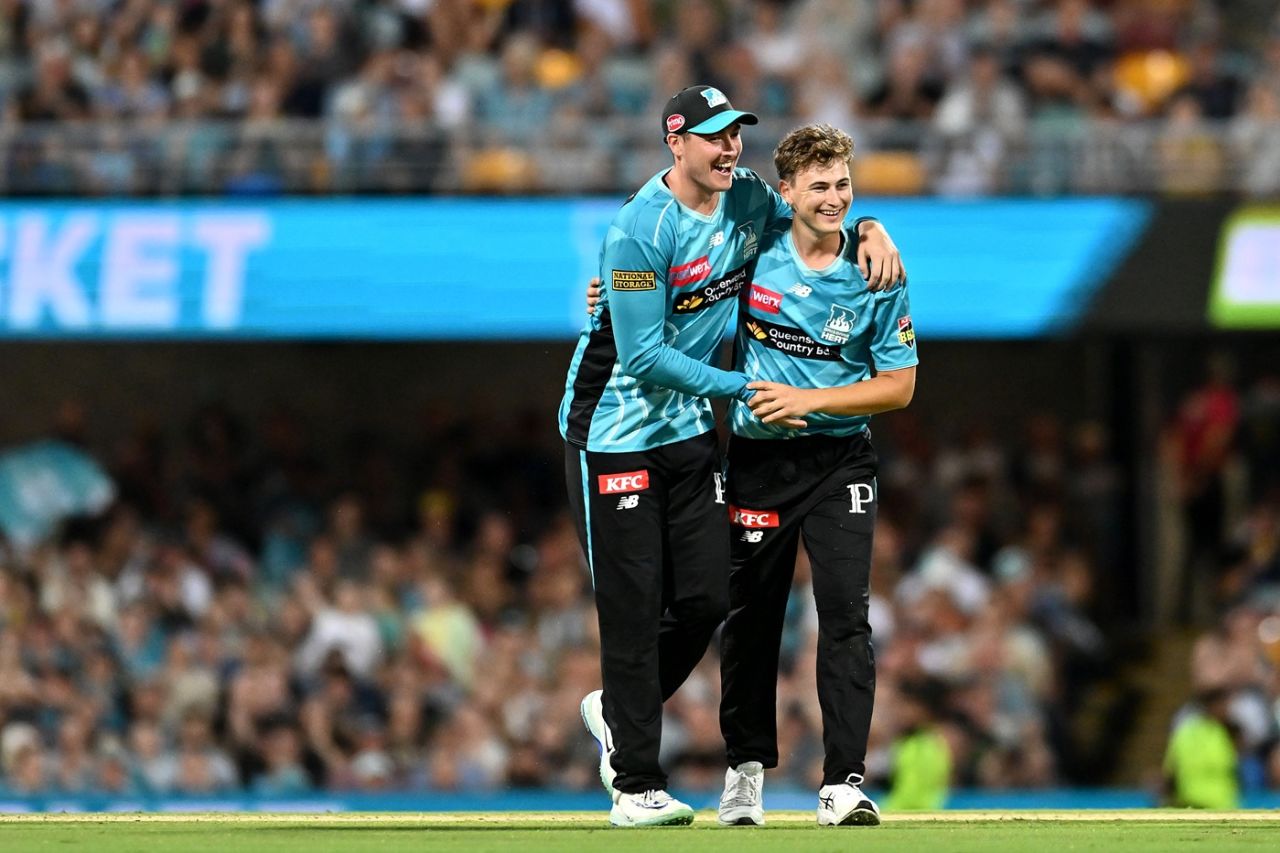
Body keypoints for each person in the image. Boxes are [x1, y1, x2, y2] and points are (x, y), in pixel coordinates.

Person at [559, 86, 906, 827]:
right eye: (713, 136)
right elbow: (644, 350)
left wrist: (874, 224)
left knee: (711, 598)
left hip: (691, 429)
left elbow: (820, 212)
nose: (729, 148)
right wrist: (747, 383)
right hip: (616, 426)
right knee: (635, 606)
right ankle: (636, 783)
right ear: (675, 142)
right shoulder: (637, 229)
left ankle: (625, 708)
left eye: (735, 135)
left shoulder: (750, 202)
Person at [715, 123, 918, 827]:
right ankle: (744, 773)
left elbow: (899, 386)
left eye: (844, 187)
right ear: (788, 192)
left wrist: (811, 400)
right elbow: (681, 251)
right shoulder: (753, 248)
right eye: (821, 186)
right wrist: (616, 299)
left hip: (839, 461)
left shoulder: (877, 269)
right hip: (759, 460)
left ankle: (844, 782)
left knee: (846, 615)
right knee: (752, 619)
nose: (835, 199)